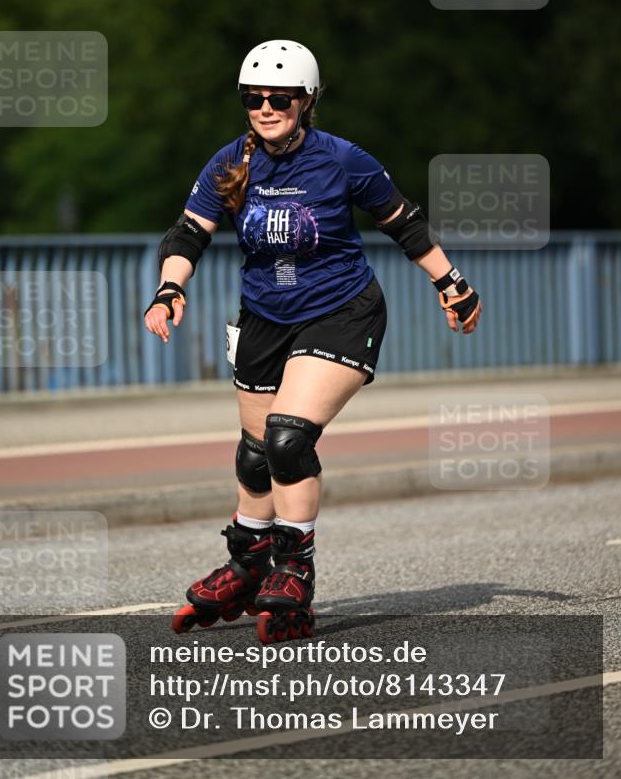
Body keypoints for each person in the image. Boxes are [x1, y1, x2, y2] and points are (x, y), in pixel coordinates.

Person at [144, 40, 481, 644]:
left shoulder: (343, 160)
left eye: (279, 98)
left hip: (343, 311)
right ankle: (248, 565)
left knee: (287, 437)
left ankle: (295, 571)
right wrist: (169, 290)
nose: (266, 108)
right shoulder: (231, 162)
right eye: (255, 98)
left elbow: (403, 223)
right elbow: (188, 231)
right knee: (254, 454)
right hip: (263, 320)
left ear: (307, 101)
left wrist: (451, 282)